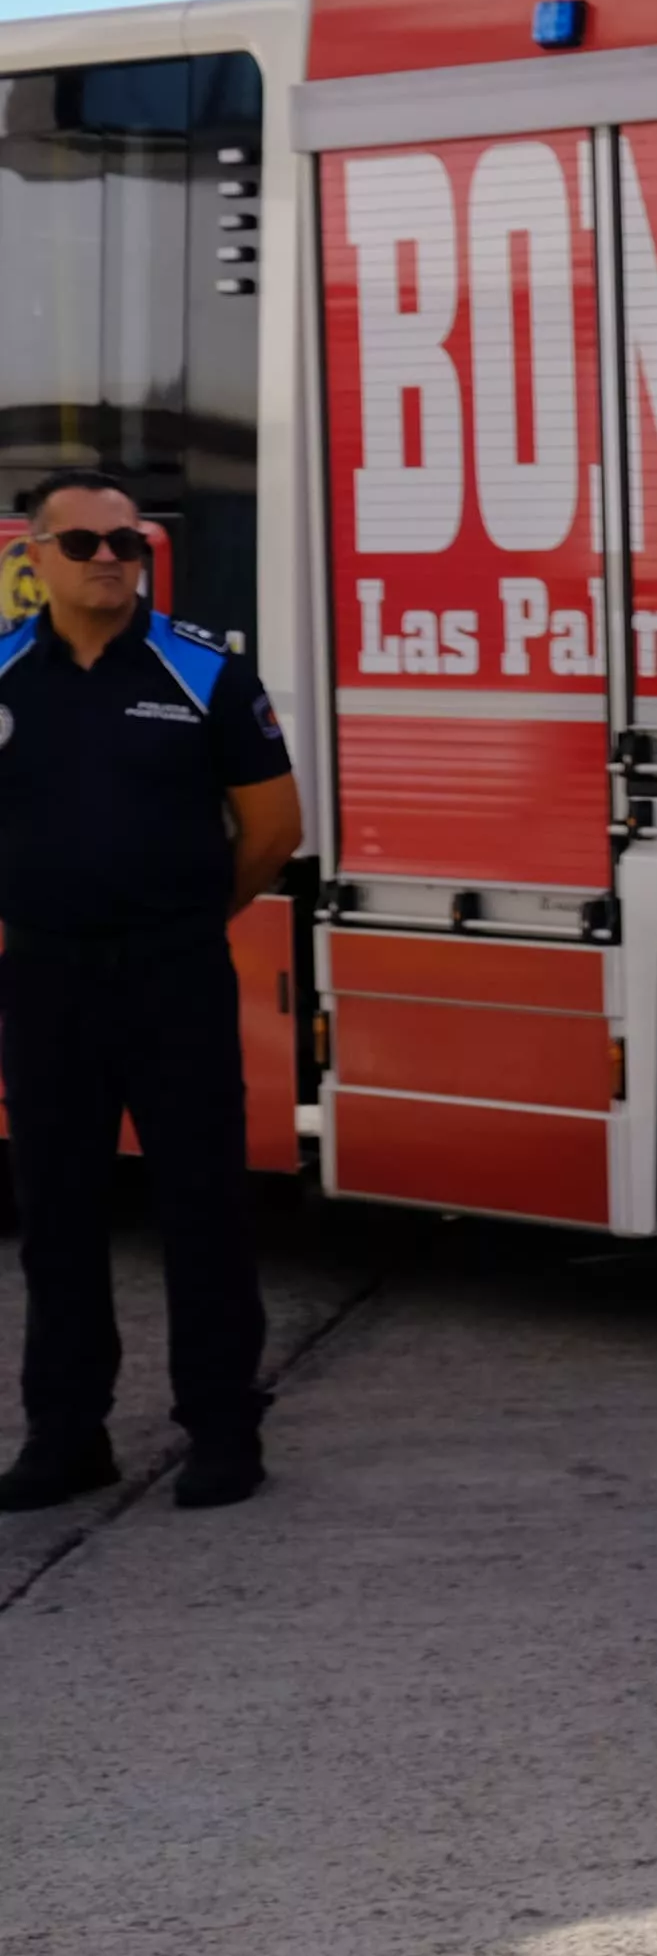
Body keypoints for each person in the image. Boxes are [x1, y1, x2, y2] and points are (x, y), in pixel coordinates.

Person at [0, 472, 305, 1514]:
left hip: (172, 973)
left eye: (125, 541)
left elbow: (273, 830)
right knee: (59, 1212)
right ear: (33, 556)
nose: (107, 558)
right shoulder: (1, 674)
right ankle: (65, 1435)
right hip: (44, 978)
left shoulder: (202, 673)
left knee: (203, 1205)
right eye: (81, 542)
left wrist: (185, 919)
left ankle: (222, 1429)